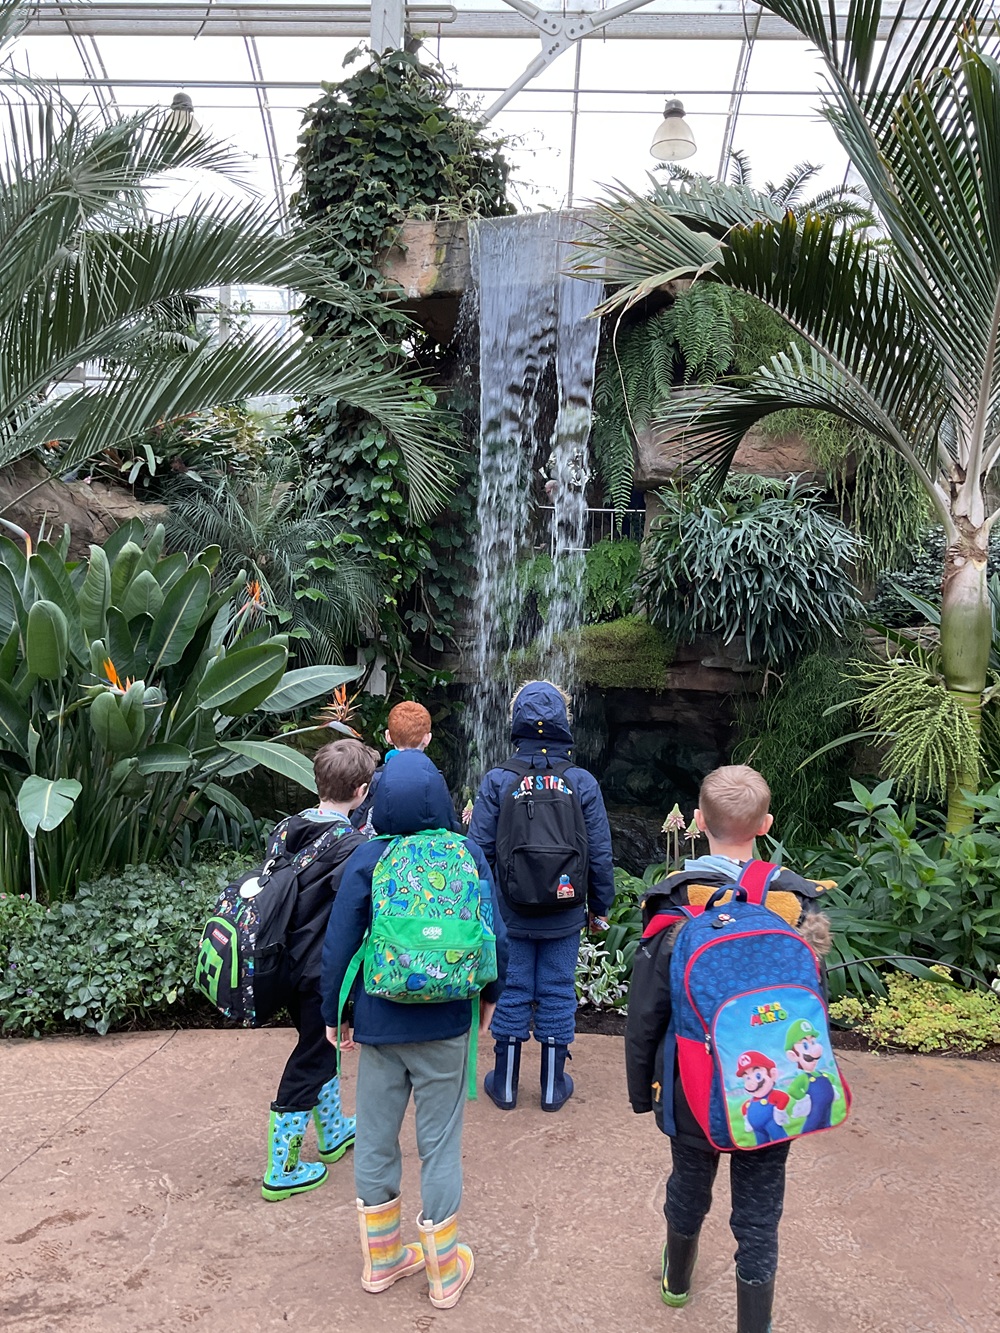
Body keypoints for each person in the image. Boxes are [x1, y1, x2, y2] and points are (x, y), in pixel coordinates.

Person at [625, 764, 833, 1333]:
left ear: (696, 822)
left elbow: (647, 1011)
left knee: (688, 1183)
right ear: (765, 824)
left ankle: (676, 1282)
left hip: (692, 1085)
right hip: (775, 1093)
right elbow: (813, 1003)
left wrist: (644, 1091)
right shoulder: (795, 902)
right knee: (760, 1211)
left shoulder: (675, 902)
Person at [320, 749, 508, 1309]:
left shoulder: (367, 858)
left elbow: (339, 946)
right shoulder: (468, 852)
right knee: (440, 1146)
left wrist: (338, 1014)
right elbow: (493, 933)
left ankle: (383, 1262)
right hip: (449, 1025)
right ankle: (444, 1273)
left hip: (380, 1026)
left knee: (376, 1141)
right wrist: (489, 1002)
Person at [469, 680, 614, 1112]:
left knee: (512, 989)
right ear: (562, 724)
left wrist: (481, 910)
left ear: (516, 723)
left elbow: (477, 851)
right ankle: (552, 1086)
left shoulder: (498, 780)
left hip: (509, 913)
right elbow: (601, 853)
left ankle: (506, 1085)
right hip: (566, 912)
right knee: (555, 988)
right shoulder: (582, 782)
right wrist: (599, 907)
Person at [261, 738, 378, 1203]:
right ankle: (281, 1167)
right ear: (363, 791)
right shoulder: (351, 845)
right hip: (318, 969)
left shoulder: (288, 826)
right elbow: (351, 914)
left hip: (281, 960)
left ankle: (332, 1132)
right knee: (312, 1055)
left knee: (320, 1046)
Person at [351, 700, 461, 833]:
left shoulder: (377, 778)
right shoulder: (436, 778)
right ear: (427, 739)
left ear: (388, 737)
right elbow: (450, 822)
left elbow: (357, 823)